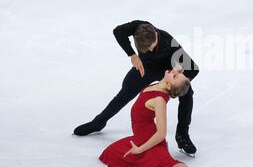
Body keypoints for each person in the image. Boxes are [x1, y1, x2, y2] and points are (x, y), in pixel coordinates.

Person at [74, 20, 199, 157]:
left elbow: (193, 69)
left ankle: (182, 134)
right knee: (124, 93)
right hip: (144, 68)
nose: (150, 50)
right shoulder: (137, 27)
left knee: (187, 93)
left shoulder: (168, 42)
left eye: (152, 47)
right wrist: (132, 55)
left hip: (167, 72)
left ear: (156, 37)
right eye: (146, 50)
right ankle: (98, 123)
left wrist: (176, 79)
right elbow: (118, 31)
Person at [99, 68, 214, 167]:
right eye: (179, 74)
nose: (175, 72)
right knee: (109, 153)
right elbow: (174, 73)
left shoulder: (159, 100)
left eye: (176, 76)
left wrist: (140, 149)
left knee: (168, 163)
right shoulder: (160, 84)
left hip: (149, 140)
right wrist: (177, 72)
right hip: (138, 137)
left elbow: (161, 134)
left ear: (169, 85)